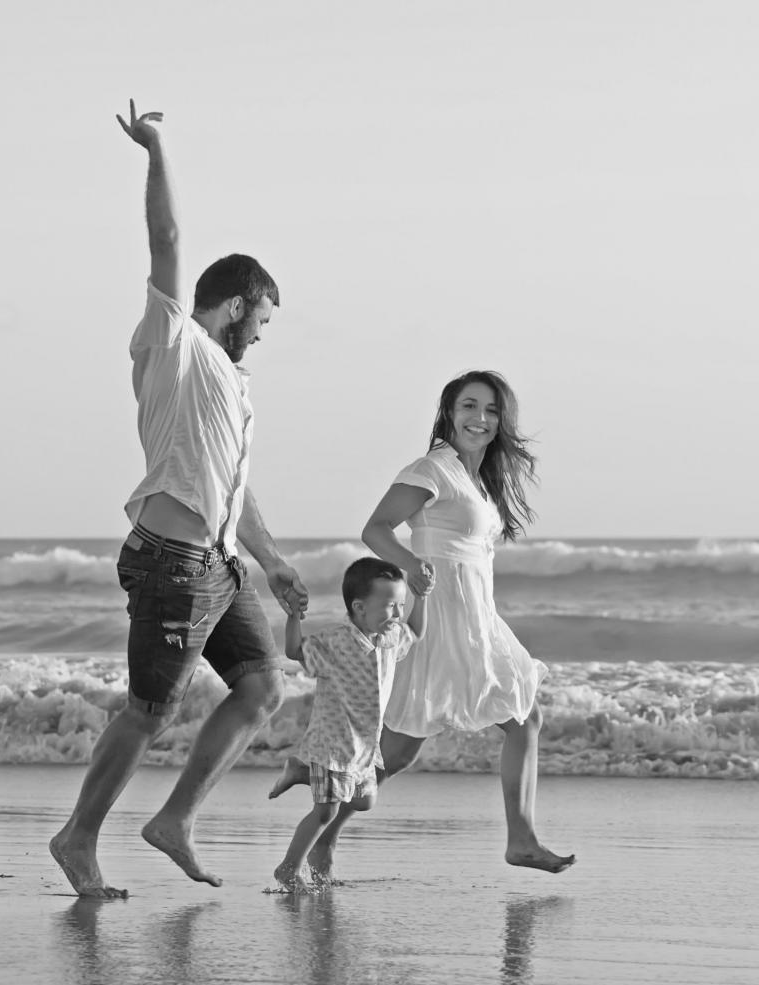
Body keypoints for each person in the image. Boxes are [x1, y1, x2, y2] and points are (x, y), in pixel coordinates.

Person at [50, 101, 307, 899]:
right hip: (171, 562)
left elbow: (232, 483)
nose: (260, 334)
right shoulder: (177, 345)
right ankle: (77, 840)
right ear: (234, 306)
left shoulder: (232, 382)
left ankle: (174, 821)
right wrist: (155, 151)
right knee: (151, 709)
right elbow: (165, 242)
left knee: (264, 687)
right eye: (258, 320)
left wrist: (272, 563)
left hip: (217, 564)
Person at [270, 370, 575, 878]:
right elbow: (376, 529)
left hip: (477, 615)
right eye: (469, 407)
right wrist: (410, 567)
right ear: (449, 413)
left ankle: (518, 839)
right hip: (439, 616)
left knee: (503, 722)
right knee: (409, 744)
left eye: (492, 410)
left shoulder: (477, 479)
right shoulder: (434, 468)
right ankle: (321, 838)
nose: (480, 418)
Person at [274, 558, 428, 892]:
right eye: (390, 606)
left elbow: (415, 632)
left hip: (364, 745)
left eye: (401, 605)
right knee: (326, 812)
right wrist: (293, 617)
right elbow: (293, 650)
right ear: (359, 607)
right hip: (333, 743)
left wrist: (421, 596)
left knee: (364, 801)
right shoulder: (337, 642)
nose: (398, 614)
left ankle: (300, 770)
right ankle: (287, 869)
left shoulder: (389, 638)